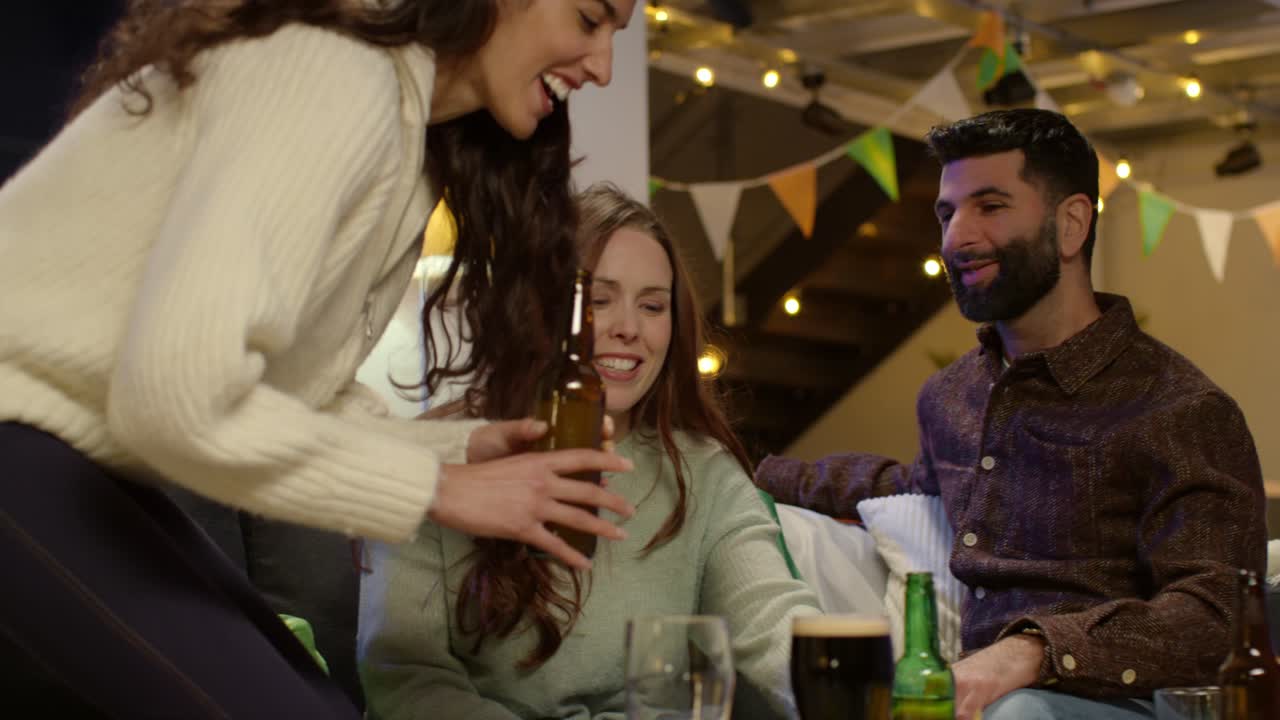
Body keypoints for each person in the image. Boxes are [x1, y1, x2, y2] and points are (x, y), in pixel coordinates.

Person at [0, 1, 641, 716]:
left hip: (77, 462)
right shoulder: (334, 74)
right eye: (590, 18)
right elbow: (176, 399)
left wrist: (462, 451)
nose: (605, 68)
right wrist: (437, 489)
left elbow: (293, 402)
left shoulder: (414, 147)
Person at [753, 109, 1266, 720]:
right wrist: (738, 468)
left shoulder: (1181, 408)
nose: (955, 238)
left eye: (990, 207)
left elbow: (1217, 615)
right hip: (980, 699)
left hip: (1121, 701)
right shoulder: (951, 397)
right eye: (947, 213)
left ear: (1071, 224)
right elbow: (910, 488)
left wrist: (1032, 652)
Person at [357, 183, 821, 720]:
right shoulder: (438, 458)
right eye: (598, 300)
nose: (627, 328)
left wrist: (860, 681)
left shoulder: (702, 472)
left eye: (652, 305)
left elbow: (773, 624)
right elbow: (404, 681)